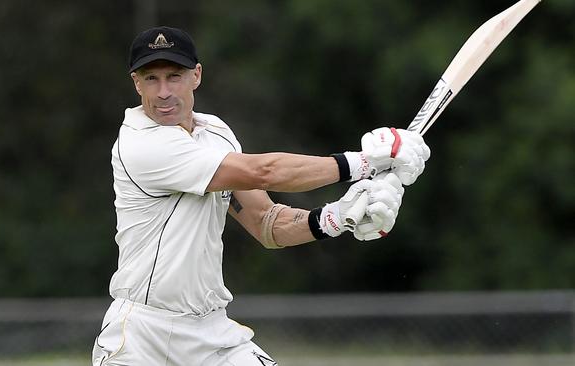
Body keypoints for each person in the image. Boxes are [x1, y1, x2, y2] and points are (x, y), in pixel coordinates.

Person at [92, 26, 430, 366]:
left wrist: (336, 217)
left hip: (210, 333)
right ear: (136, 83)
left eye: (174, 76)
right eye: (151, 78)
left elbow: (267, 224)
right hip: (142, 336)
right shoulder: (141, 143)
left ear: (196, 75)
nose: (164, 91)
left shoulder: (215, 134)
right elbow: (263, 171)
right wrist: (365, 163)